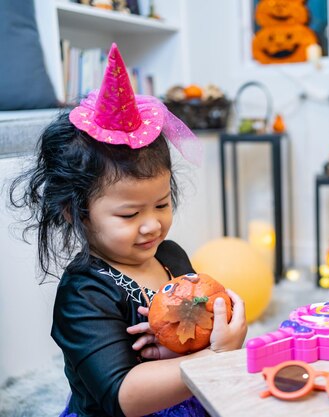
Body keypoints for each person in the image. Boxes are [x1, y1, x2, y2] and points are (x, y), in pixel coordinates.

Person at [9, 43, 247, 417]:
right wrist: (214, 357)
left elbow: (189, 334)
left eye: (162, 204)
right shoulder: (84, 293)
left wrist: (210, 335)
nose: (152, 225)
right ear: (76, 212)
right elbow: (124, 396)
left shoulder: (170, 256)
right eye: (129, 214)